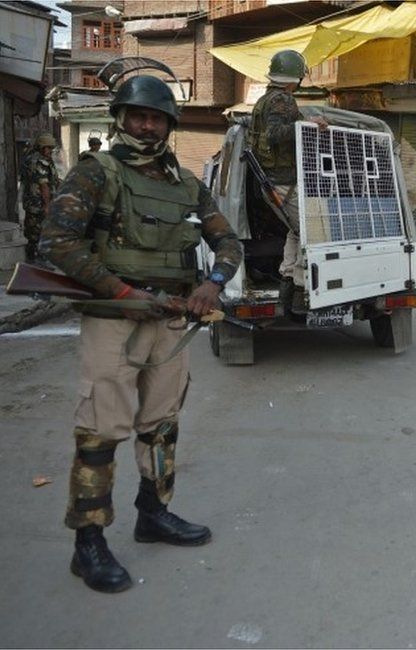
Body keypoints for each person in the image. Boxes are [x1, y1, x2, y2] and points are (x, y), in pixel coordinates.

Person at [39, 74, 243, 593]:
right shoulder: (96, 173)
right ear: (121, 120)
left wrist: (213, 284)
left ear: (169, 125)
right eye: (138, 116)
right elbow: (58, 243)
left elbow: (227, 241)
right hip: (115, 321)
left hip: (171, 318)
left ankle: (153, 515)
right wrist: (123, 292)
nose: (147, 124)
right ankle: (88, 544)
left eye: (156, 117)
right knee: (100, 432)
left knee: (161, 425)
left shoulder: (187, 184)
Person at [246, 49, 328, 316]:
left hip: (274, 181)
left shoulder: (265, 99)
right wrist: (310, 125)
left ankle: (287, 284)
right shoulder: (282, 99)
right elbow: (274, 134)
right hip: (281, 181)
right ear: (295, 77)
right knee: (311, 232)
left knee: (297, 230)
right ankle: (301, 294)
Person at [20, 132, 61, 262]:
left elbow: (52, 180)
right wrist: (47, 205)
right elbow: (44, 186)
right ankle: (37, 262)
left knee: (33, 232)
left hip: (33, 203)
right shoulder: (40, 161)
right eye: (49, 148)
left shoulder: (32, 158)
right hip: (38, 204)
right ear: (42, 147)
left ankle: (34, 260)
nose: (51, 151)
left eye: (51, 148)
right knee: (38, 233)